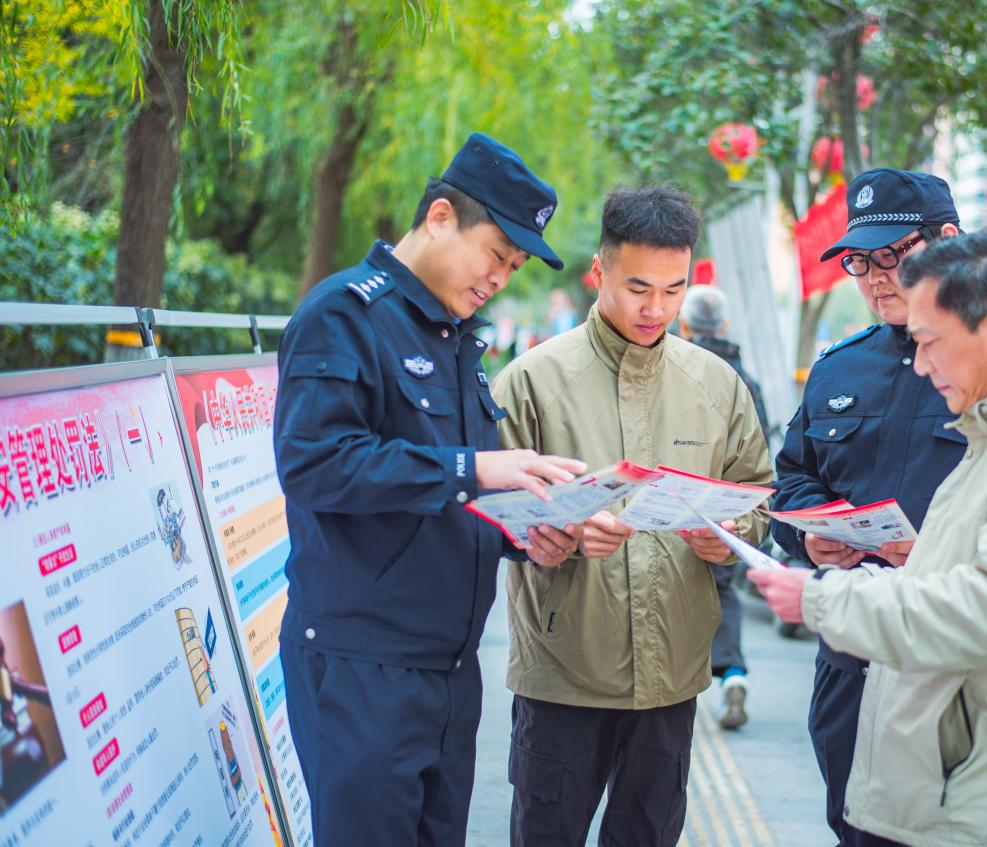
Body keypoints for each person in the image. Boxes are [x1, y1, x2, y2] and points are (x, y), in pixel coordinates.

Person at [751, 228, 987, 847]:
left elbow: (985, 607)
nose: (922, 363)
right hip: (952, 780)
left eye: (931, 342)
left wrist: (822, 598)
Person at [273, 132, 587, 847]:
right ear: (440, 215)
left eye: (512, 267)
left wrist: (528, 533)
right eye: (496, 255)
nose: (500, 278)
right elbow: (315, 461)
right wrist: (473, 468)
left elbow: (454, 496)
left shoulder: (456, 338)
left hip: (446, 670)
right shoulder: (343, 315)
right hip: (362, 663)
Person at [492, 185, 773, 846]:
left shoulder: (717, 384)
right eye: (638, 287)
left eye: (673, 290)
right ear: (599, 271)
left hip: (672, 673)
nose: (656, 309)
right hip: (564, 669)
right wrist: (549, 530)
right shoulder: (530, 380)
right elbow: (487, 514)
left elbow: (758, 492)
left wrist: (729, 536)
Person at [765, 167, 966, 847]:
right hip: (850, 661)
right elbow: (792, 479)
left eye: (895, 255)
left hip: (950, 671)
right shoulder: (838, 368)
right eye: (860, 260)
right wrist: (811, 538)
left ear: (950, 241)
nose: (877, 277)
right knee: (851, 826)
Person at [677, 284, 769, 729]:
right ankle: (733, 672)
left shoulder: (673, 371)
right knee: (724, 590)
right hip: (728, 508)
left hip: (675, 505)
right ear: (725, 326)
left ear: (685, 324)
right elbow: (763, 449)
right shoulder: (745, 378)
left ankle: (675, 685)